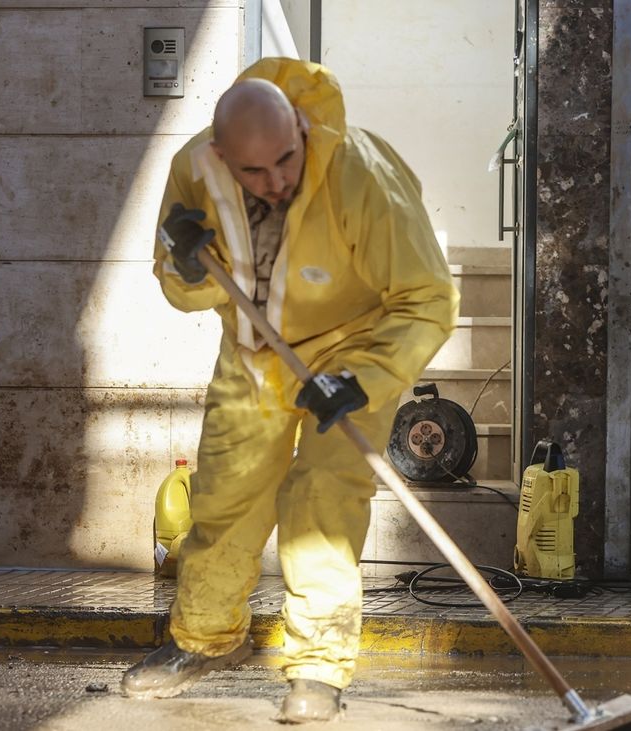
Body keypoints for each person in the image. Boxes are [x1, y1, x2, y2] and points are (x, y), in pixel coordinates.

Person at [121, 58, 458, 722]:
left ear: (301, 128)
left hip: (358, 349)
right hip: (255, 353)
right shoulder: (195, 169)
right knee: (224, 498)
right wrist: (187, 264)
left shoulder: (362, 172)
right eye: (255, 171)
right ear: (223, 155)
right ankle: (207, 640)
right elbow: (182, 284)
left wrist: (361, 380)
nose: (276, 181)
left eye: (286, 159)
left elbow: (428, 300)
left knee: (323, 506)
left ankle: (318, 669)